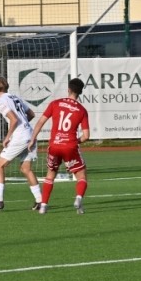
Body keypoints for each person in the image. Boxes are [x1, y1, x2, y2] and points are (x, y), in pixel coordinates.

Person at [29, 78, 90, 215]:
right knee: (81, 176)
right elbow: (86, 136)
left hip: (54, 145)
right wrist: (75, 142)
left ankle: (43, 206)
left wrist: (33, 139)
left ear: (68, 89)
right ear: (80, 92)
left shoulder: (55, 103)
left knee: (50, 175)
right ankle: (78, 198)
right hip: (70, 146)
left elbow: (40, 122)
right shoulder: (82, 110)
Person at [0, 76, 42, 210]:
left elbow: (14, 120)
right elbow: (31, 114)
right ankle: (40, 201)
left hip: (20, 137)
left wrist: (7, 137)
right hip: (30, 135)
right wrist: (24, 126)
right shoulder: (15, 97)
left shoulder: (1, 101)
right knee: (26, 169)